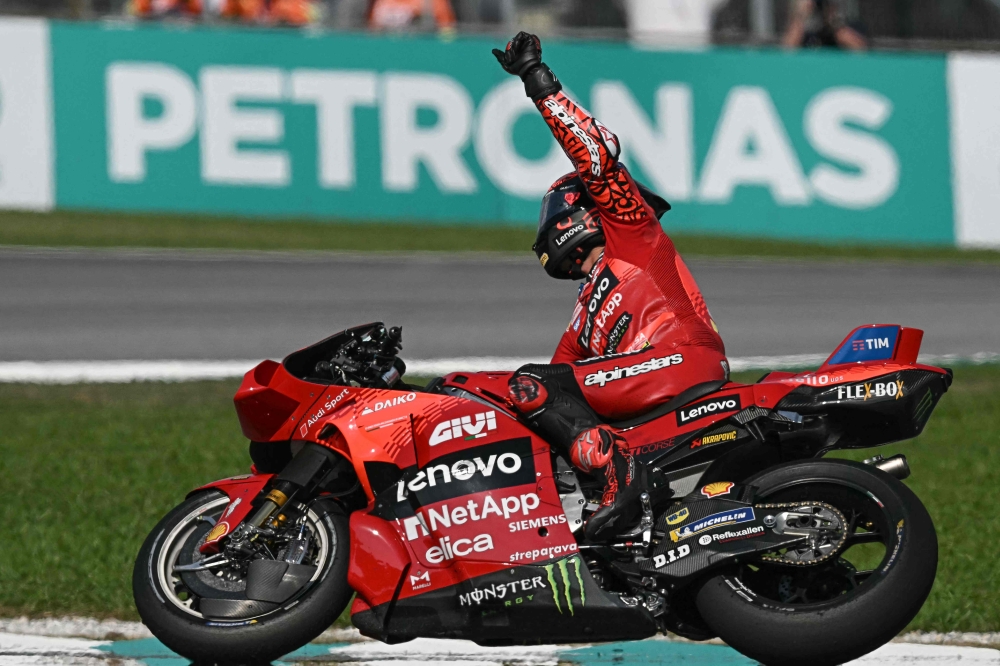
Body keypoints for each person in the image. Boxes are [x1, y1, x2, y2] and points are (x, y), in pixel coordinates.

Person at [493, 32, 729, 541]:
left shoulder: (633, 236)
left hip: (681, 358)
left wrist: (539, 84)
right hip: (642, 384)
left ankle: (613, 479)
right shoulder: (583, 314)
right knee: (528, 392)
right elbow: (550, 388)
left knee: (531, 383)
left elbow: (597, 158)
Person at [783, 0, 868, 50]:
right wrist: (802, 15)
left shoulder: (847, 27)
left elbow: (860, 48)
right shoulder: (806, 34)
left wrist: (833, 22)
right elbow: (787, 50)